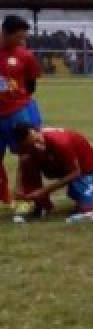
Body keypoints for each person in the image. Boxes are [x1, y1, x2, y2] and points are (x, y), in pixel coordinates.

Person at [11, 124, 93, 220]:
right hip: (57, 163)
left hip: (85, 168)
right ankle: (42, 205)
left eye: (37, 141)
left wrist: (44, 190)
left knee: (88, 207)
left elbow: (75, 172)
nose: (37, 146)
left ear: (38, 132)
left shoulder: (61, 142)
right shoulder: (26, 144)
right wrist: (18, 187)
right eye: (32, 144)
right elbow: (23, 160)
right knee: (28, 161)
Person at [0, 15, 43, 209]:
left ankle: (26, 198)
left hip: (18, 110)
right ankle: (4, 197)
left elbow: (31, 85)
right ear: (5, 33)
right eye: (18, 37)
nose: (22, 41)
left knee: (26, 153)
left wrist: (15, 98)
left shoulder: (26, 56)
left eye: (24, 37)